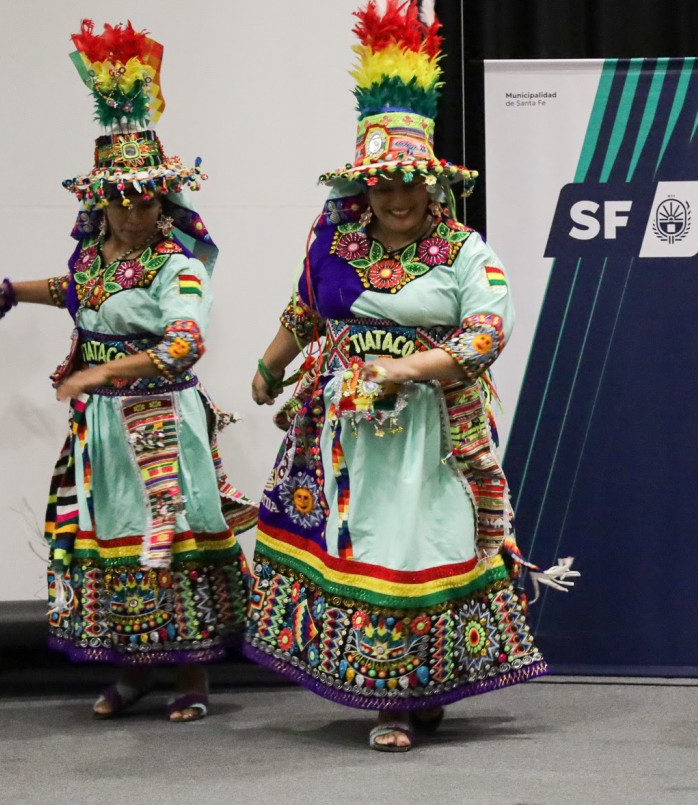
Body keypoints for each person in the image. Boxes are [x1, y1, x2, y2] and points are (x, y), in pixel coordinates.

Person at [243, 0, 572, 752]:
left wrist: (407, 367)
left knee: (427, 542)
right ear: (365, 188)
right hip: (348, 432)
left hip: (433, 425)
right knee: (372, 543)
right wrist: (270, 365)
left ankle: (421, 686)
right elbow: (307, 310)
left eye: (408, 185)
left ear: (432, 184)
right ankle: (391, 696)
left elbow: (490, 328)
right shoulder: (336, 245)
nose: (396, 199)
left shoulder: (463, 249)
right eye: (382, 186)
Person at [0, 20, 255, 722]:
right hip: (102, 431)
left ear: (165, 200)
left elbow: (184, 344)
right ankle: (133, 667)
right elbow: (75, 291)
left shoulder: (177, 267)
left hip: (159, 421)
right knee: (111, 535)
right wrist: (5, 292)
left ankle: (192, 678)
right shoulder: (93, 258)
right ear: (99, 200)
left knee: (168, 535)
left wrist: (102, 373)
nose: (130, 211)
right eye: (117, 198)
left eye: (144, 197)